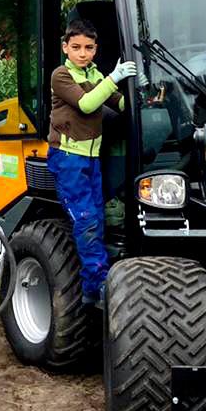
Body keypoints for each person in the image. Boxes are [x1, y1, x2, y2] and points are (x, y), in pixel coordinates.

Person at [47, 18, 137, 308]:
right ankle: (96, 287)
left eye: (88, 47)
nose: (82, 53)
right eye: (76, 47)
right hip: (69, 160)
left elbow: (118, 103)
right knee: (85, 221)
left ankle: (96, 285)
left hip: (91, 159)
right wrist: (114, 77)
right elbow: (87, 104)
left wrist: (141, 93)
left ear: (96, 49)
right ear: (66, 47)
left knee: (97, 220)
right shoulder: (61, 76)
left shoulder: (95, 74)